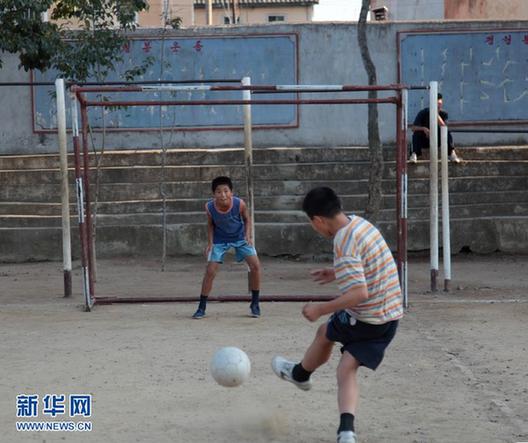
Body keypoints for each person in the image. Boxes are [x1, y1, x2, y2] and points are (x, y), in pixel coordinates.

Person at [271, 187, 403, 443]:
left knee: (324, 331)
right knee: (345, 368)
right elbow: (367, 262)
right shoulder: (361, 224)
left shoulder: (342, 240)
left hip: (366, 317)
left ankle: (299, 375)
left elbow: (359, 293)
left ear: (318, 220)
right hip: (391, 317)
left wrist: (320, 308)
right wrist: (336, 272)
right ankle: (346, 432)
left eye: (313, 225)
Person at [192, 176, 261, 319]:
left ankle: (255, 303)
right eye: (218, 191)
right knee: (210, 271)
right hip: (219, 240)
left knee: (255, 266)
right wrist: (210, 242)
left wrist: (248, 236)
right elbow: (210, 224)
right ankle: (201, 307)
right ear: (213, 194)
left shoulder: (239, 204)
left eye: (226, 191)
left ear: (231, 192)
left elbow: (247, 219)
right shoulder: (209, 207)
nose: (222, 195)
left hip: (240, 238)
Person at [409, 93, 461, 163]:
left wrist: (436, 114)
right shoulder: (423, 112)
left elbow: (444, 126)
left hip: (438, 140)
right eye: (436, 104)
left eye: (440, 103)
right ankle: (414, 154)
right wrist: (424, 129)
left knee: (446, 132)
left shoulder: (444, 114)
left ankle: (452, 153)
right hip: (425, 140)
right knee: (416, 133)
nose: (438, 105)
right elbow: (413, 128)